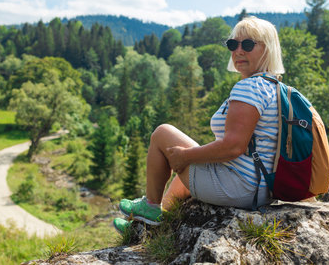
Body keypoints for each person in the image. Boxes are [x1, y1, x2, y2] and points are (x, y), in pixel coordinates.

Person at [113, 16, 285, 233]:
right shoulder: (272, 85)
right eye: (233, 44)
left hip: (240, 187)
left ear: (268, 49)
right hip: (259, 187)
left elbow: (233, 147)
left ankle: (150, 205)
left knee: (162, 133)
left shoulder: (250, 88)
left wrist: (185, 157)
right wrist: (191, 155)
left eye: (248, 44)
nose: (239, 51)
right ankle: (153, 225)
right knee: (191, 162)